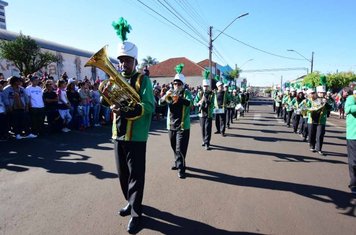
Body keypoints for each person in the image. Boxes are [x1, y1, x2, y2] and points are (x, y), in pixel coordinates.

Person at [110, 17, 154, 234]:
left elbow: (148, 106)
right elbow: (105, 98)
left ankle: (137, 214)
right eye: (121, 60)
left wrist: (127, 109)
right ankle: (130, 201)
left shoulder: (143, 80)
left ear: (135, 61)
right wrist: (107, 101)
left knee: (136, 175)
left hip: (136, 135)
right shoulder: (116, 78)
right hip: (118, 134)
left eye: (127, 60)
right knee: (123, 175)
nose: (123, 64)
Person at [160, 63, 192, 178]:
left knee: (180, 149)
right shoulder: (170, 92)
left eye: (179, 84)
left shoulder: (186, 93)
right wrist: (165, 96)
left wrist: (180, 98)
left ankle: (181, 169)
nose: (176, 85)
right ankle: (177, 162)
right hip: (171, 124)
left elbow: (190, 103)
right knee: (174, 146)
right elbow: (160, 103)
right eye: (175, 83)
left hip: (183, 125)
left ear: (182, 85)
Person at [306, 76, 332, 156]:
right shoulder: (312, 99)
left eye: (323, 92)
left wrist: (326, 102)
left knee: (320, 135)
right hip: (312, 119)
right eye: (320, 92)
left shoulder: (327, 99)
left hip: (321, 121)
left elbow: (331, 107)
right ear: (317, 92)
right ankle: (312, 146)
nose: (322, 94)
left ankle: (319, 148)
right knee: (311, 135)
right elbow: (306, 107)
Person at [194, 74, 214, 150]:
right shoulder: (199, 93)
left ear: (209, 86)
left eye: (206, 86)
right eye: (204, 86)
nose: (205, 87)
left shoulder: (212, 94)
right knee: (202, 128)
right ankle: (204, 140)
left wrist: (208, 102)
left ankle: (207, 143)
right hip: (201, 113)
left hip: (209, 113)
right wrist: (199, 103)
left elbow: (213, 104)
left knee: (207, 129)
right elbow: (194, 102)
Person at [345, 88, 356, 195]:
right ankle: (354, 184)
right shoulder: (351, 98)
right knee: (354, 162)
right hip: (354, 135)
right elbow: (348, 109)